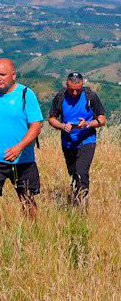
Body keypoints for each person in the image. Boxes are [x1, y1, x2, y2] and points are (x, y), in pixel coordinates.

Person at [0, 58, 43, 219]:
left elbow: (36, 126)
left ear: (13, 75)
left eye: (2, 74)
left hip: (22, 160)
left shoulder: (26, 94)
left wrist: (19, 148)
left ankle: (31, 232)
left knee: (27, 199)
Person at [47, 72, 106, 208]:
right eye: (71, 89)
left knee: (81, 173)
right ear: (66, 85)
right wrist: (62, 126)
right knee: (73, 174)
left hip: (87, 140)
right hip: (67, 142)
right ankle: (75, 202)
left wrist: (88, 124)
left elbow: (102, 119)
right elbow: (51, 118)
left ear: (82, 85)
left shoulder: (90, 96)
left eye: (78, 89)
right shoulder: (60, 97)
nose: (74, 92)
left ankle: (82, 208)